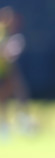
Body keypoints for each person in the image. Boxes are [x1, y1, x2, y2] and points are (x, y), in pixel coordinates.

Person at [0, 6, 35, 138]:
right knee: (3, 97)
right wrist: (7, 50)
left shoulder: (10, 33)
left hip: (6, 69)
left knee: (19, 88)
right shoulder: (2, 31)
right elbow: (4, 52)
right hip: (2, 69)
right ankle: (5, 126)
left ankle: (22, 120)